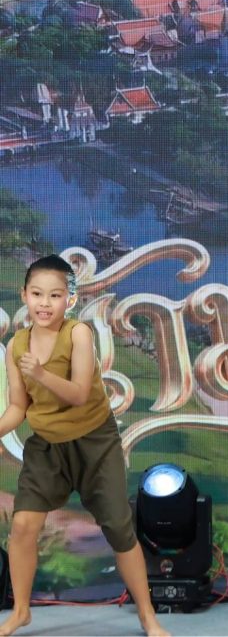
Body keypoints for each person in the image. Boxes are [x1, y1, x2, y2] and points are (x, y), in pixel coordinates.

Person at [0, 255, 168, 637]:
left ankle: (147, 615)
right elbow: (17, 407)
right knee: (23, 525)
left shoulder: (78, 334)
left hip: (95, 443)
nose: (45, 303)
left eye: (54, 295)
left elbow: (77, 394)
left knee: (119, 529)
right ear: (24, 295)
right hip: (47, 446)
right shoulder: (17, 346)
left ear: (69, 300)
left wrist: (40, 372)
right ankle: (21, 611)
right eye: (37, 294)